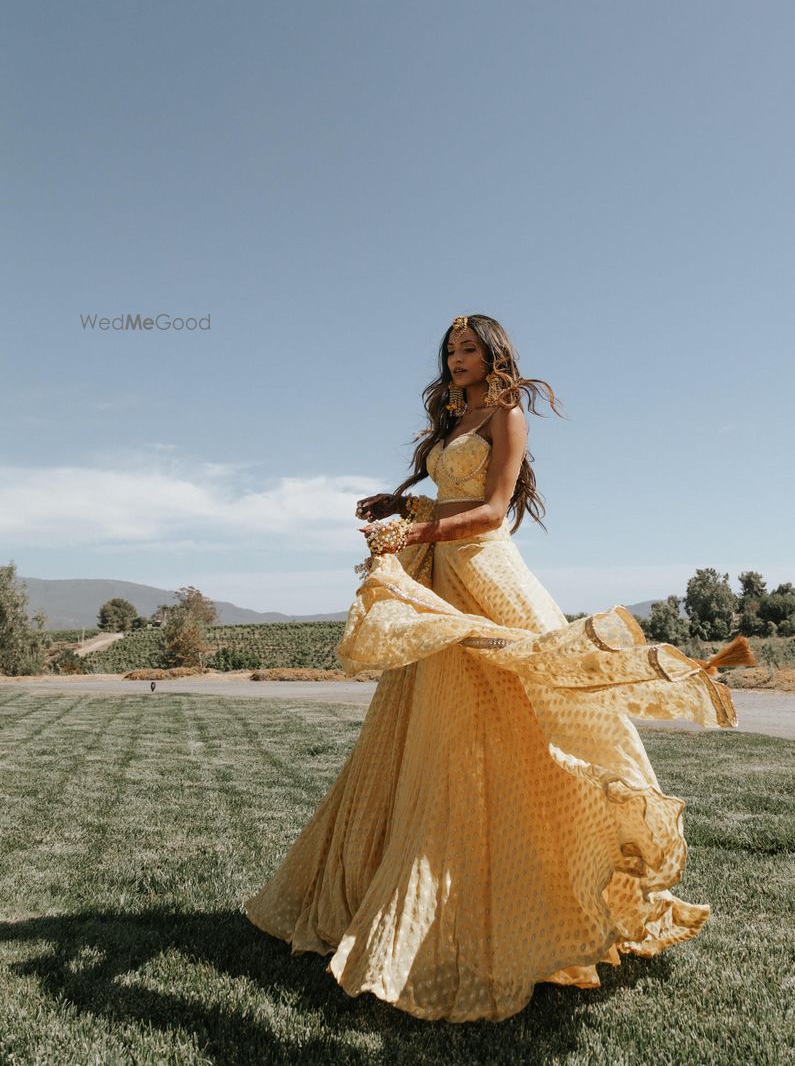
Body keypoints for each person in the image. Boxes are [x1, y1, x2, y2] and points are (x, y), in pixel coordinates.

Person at [243, 313, 755, 1023]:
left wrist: (413, 529)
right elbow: (451, 496)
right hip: (440, 574)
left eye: (468, 349)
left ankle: (576, 875)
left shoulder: (508, 414)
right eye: (450, 350)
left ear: (493, 356)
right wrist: (402, 503)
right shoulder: (454, 416)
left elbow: (489, 510)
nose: (456, 359)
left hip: (487, 572)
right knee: (439, 728)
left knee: (540, 687)